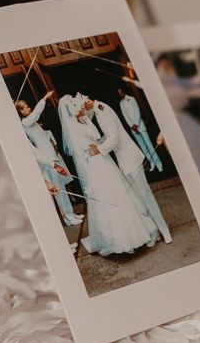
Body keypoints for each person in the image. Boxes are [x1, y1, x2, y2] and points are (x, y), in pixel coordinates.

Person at [58, 93, 157, 257]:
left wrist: (85, 118)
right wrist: (86, 119)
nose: (79, 108)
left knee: (119, 194)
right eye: (75, 106)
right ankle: (121, 241)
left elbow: (95, 136)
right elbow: (94, 138)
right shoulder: (75, 126)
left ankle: (132, 235)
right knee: (110, 197)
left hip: (101, 159)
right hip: (96, 164)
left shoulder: (80, 120)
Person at [85, 97, 171, 244]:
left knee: (146, 196)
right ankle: (154, 231)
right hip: (124, 160)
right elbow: (109, 134)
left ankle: (164, 229)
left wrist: (99, 149)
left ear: (87, 102)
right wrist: (98, 142)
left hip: (130, 157)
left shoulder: (103, 111)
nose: (86, 113)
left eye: (84, 109)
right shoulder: (98, 110)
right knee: (138, 198)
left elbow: (114, 139)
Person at [16, 93, 83, 226]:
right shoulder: (25, 123)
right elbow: (36, 113)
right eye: (26, 107)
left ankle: (71, 213)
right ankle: (67, 217)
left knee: (61, 185)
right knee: (58, 189)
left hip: (51, 156)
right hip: (46, 159)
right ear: (21, 111)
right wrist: (44, 98)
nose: (29, 109)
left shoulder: (31, 122)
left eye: (28, 106)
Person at [117, 85, 162, 172]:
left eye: (121, 92)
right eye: (119, 94)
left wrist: (136, 124)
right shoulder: (121, 104)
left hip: (140, 126)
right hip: (133, 129)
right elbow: (125, 116)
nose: (121, 94)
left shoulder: (132, 99)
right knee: (144, 148)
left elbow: (137, 111)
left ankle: (158, 164)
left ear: (124, 91)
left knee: (149, 145)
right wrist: (132, 126)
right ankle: (152, 163)